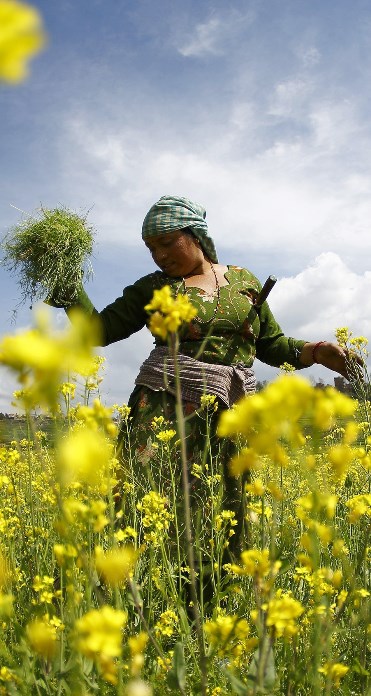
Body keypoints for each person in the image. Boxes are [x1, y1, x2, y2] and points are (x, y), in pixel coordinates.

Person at [51, 195, 356, 598]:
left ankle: (209, 609)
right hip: (164, 412)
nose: (159, 255)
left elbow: (274, 345)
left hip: (228, 415)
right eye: (150, 248)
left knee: (223, 510)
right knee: (148, 504)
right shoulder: (155, 288)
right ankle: (128, 602)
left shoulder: (245, 283)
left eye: (166, 242)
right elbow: (97, 330)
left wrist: (317, 352)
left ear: (195, 235)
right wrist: (67, 282)